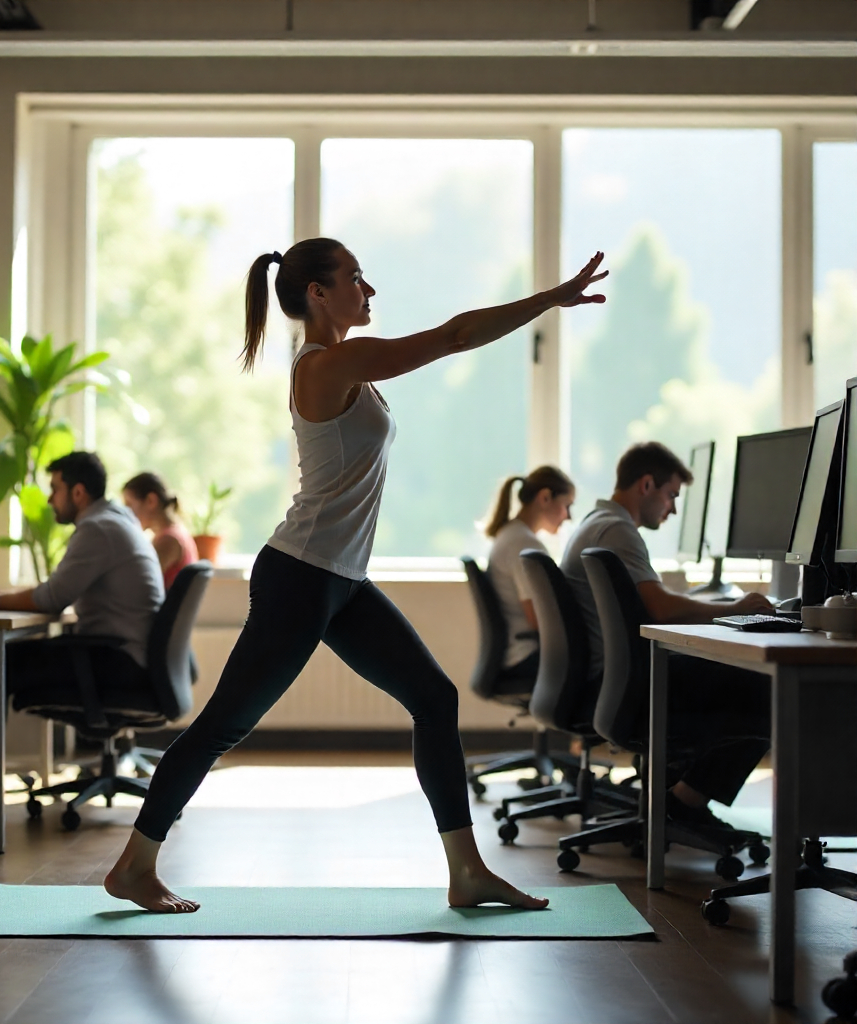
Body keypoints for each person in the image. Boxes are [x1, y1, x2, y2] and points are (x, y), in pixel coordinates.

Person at [103, 238, 608, 915]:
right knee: (224, 724)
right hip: (301, 576)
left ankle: (466, 871)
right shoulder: (329, 364)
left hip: (339, 579)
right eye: (356, 279)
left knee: (433, 697)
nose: (369, 292)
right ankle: (135, 866)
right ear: (317, 291)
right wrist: (550, 298)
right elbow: (456, 335)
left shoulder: (350, 368)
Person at [0, 451, 165, 823]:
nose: (50, 498)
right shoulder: (115, 520)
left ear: (79, 492)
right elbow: (57, 589)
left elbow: (52, 597)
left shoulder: (97, 528)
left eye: (55, 489)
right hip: (128, 657)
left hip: (116, 662)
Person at [560, 441, 772, 834]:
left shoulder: (597, 523)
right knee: (768, 687)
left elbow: (651, 604)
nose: (672, 509)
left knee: (732, 675)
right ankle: (682, 802)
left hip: (607, 684)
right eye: (671, 495)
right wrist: (733, 608)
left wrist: (709, 605)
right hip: (626, 688)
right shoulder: (617, 530)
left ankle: (678, 794)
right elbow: (659, 608)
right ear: (646, 485)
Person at [484, 466, 576, 690]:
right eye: (567, 506)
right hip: (525, 655)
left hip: (514, 652)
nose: (569, 517)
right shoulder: (523, 544)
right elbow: (538, 618)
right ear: (545, 497)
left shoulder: (511, 535)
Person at [122, 471, 199, 590]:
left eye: (129, 505)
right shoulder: (174, 533)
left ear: (151, 501)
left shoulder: (169, 540)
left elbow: (139, 581)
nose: (127, 513)